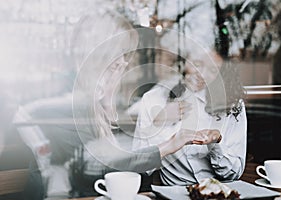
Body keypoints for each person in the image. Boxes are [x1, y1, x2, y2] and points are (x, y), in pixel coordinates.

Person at [14, 8, 212, 198]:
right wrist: (168, 145)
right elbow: (102, 168)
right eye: (118, 57)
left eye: (125, 56)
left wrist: (108, 102)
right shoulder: (68, 104)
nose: (123, 63)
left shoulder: (94, 103)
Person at [133, 50, 247, 185]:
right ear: (182, 61)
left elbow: (234, 173)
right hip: (174, 193)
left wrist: (216, 144)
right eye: (197, 64)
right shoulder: (154, 99)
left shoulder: (231, 103)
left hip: (220, 191)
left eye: (212, 69)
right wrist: (159, 123)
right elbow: (140, 167)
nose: (202, 75)